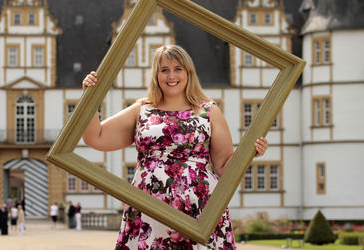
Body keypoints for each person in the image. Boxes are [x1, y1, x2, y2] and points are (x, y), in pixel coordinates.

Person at [82, 45, 267, 249]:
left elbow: (224, 166)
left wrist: (251, 152)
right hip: (148, 208)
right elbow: (96, 137)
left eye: (178, 68)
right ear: (156, 75)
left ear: (188, 72)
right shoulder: (142, 110)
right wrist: (90, 98)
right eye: (164, 70)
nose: (171, 75)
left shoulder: (209, 111)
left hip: (200, 208)